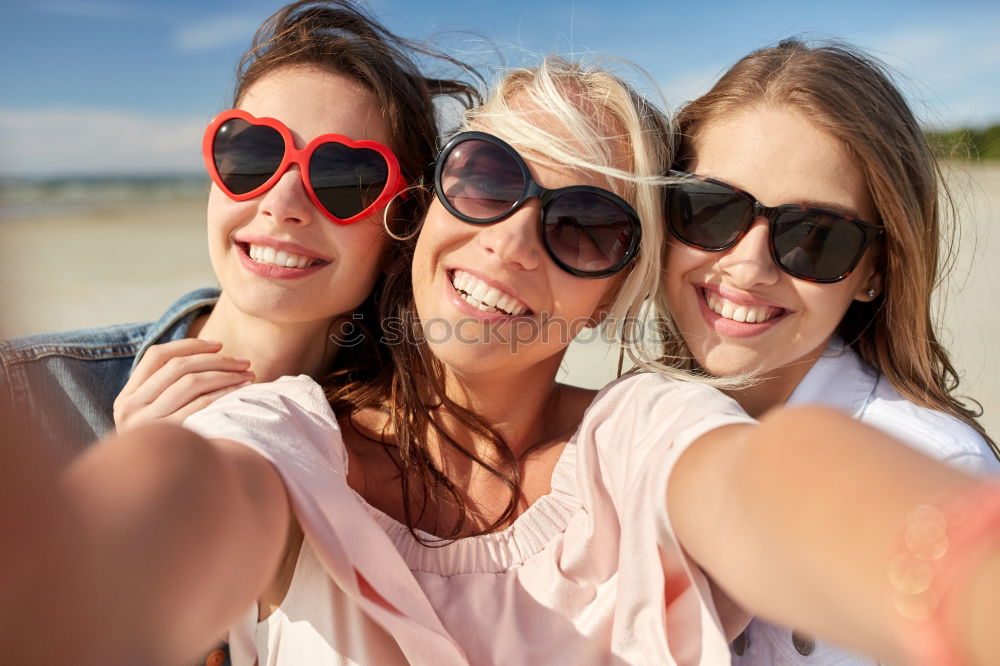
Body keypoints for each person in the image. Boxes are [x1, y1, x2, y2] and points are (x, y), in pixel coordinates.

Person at [41, 56, 1000, 666]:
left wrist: (959, 575)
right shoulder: (288, 430)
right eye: (489, 180)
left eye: (584, 227)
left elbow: (769, 481)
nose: (511, 243)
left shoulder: (638, 435)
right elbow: (191, 500)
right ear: (423, 211)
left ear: (621, 288)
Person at [0, 0, 480, 460]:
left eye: (345, 177)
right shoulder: (29, 395)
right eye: (255, 155)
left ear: (406, 221)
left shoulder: (421, 452)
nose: (281, 204)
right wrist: (126, 487)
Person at [659, 39, 1000, 664]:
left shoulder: (932, 461)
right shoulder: (631, 427)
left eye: (815, 236)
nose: (748, 264)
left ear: (875, 270)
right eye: (710, 208)